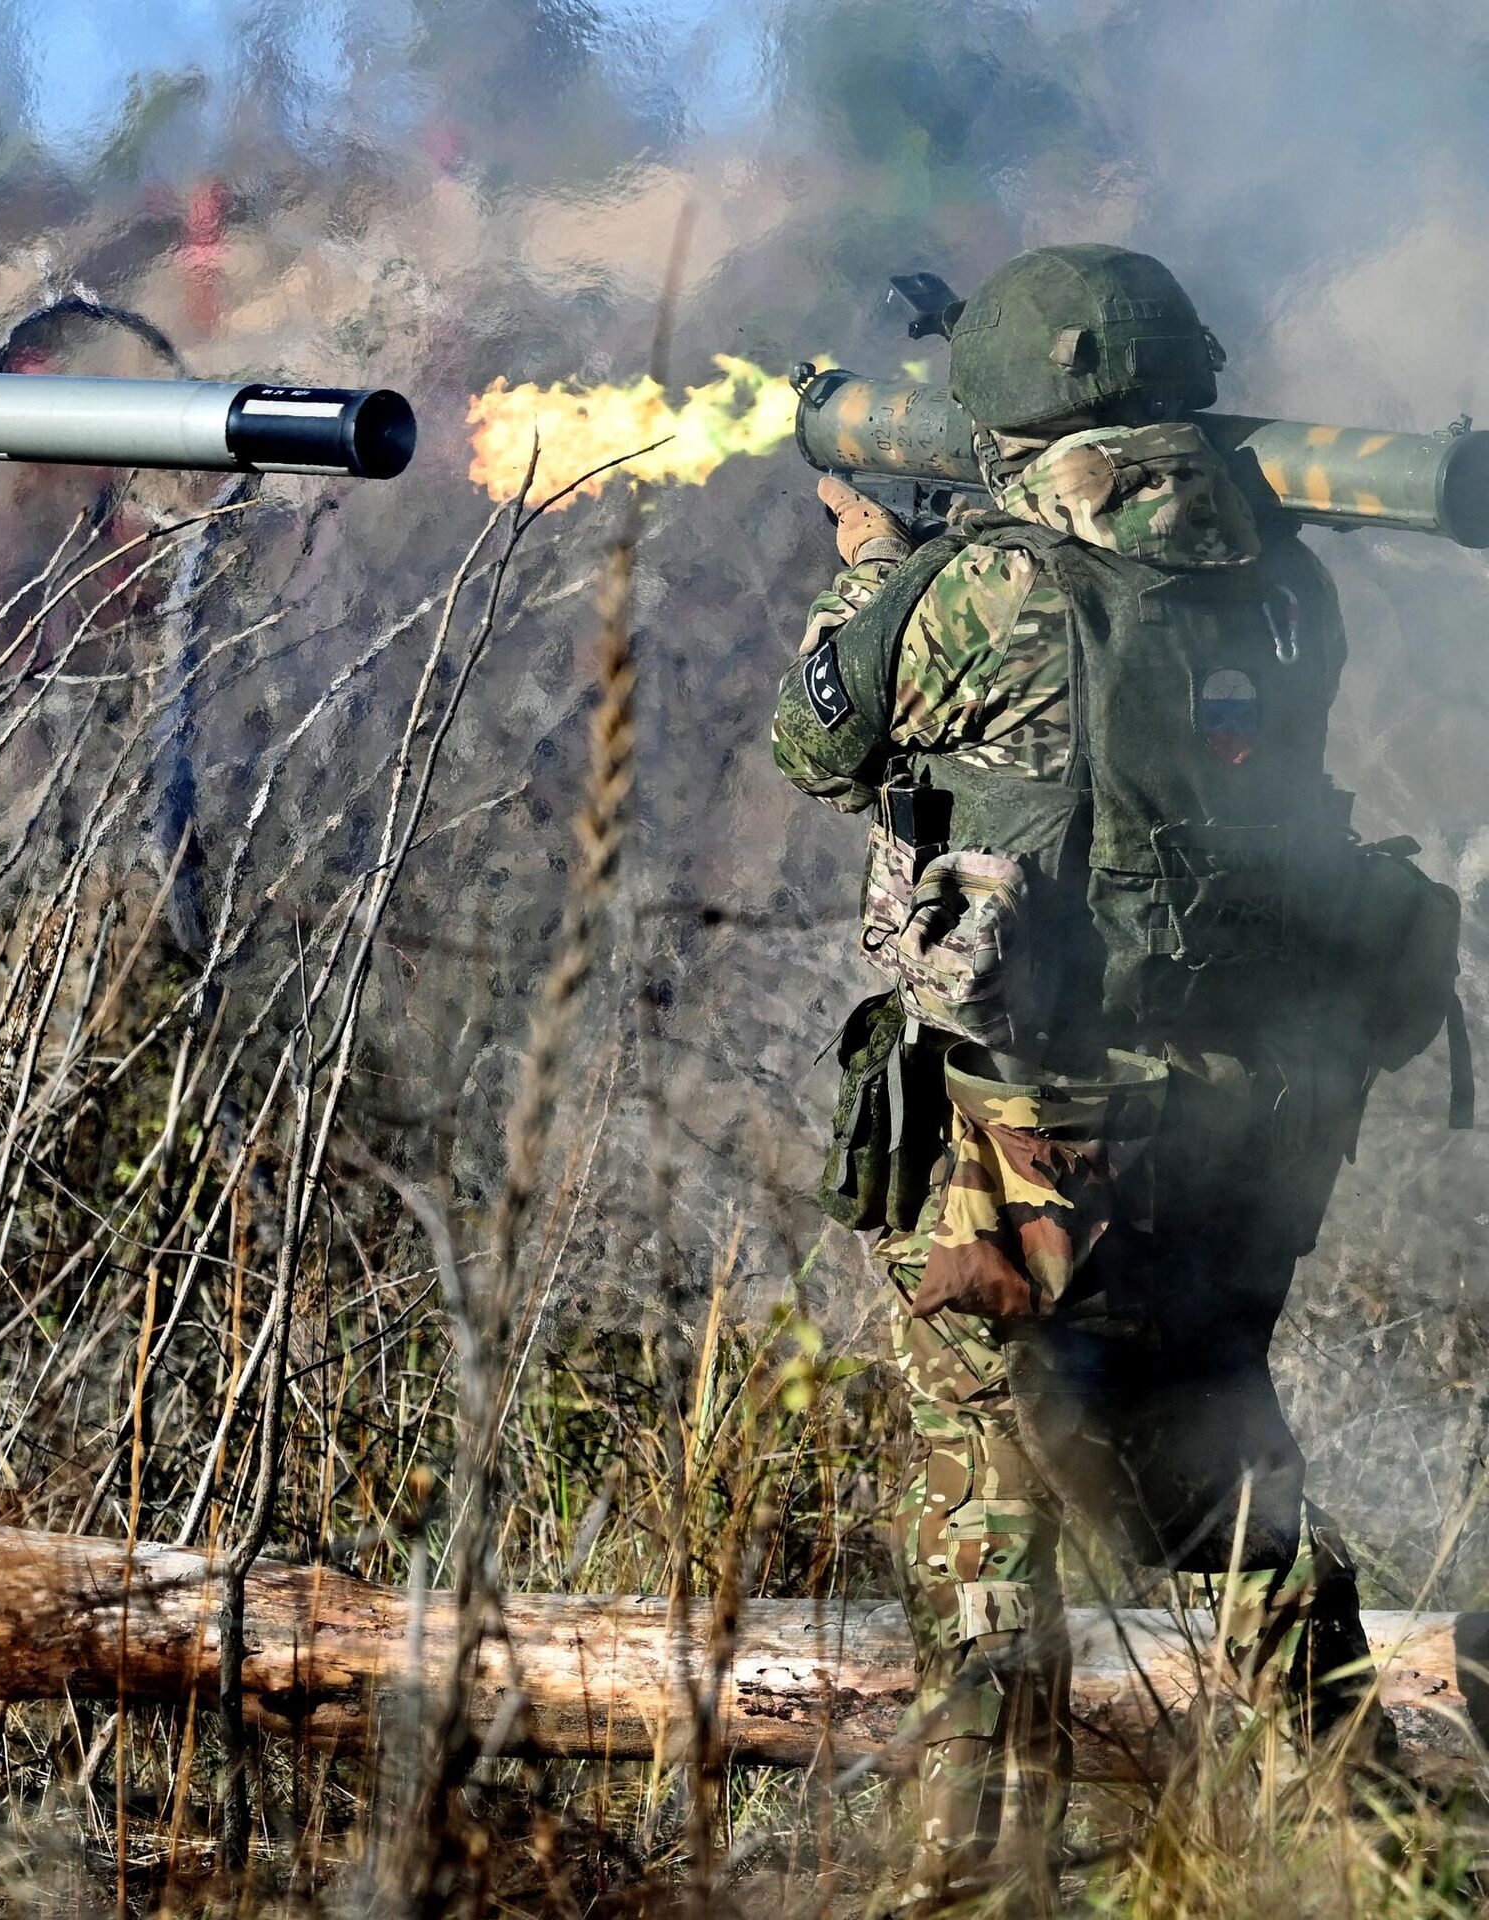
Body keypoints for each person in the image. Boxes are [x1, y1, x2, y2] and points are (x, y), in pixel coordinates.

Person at [770, 244, 1463, 1909]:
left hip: (1039, 1134)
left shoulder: (977, 590)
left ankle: (974, 1880)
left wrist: (870, 563)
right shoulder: (1286, 577)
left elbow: (822, 744)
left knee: (986, 1506)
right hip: (1257, 1111)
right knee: (1221, 1465)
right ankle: (1392, 1849)